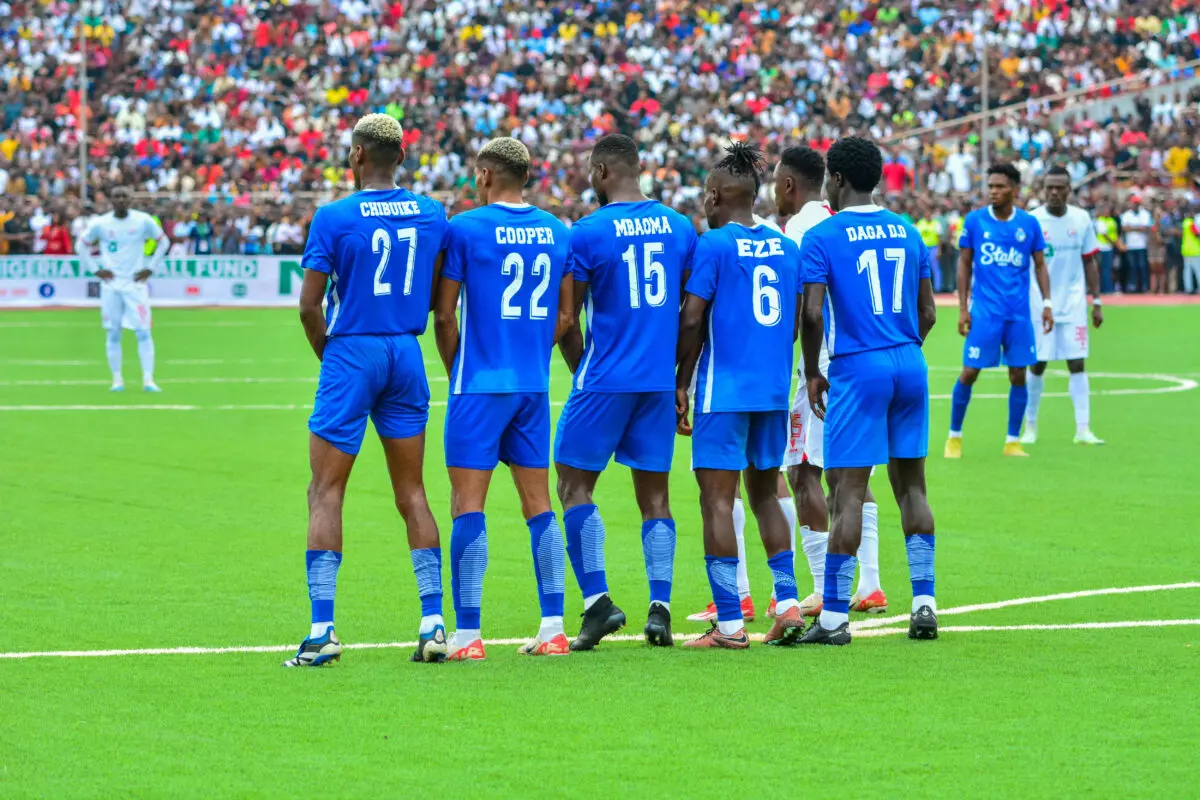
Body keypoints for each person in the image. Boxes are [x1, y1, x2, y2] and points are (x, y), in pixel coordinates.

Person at [288, 114, 449, 667]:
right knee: (414, 493)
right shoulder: (432, 213)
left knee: (326, 491)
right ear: (399, 158)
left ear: (357, 155)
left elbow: (309, 306)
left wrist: (331, 357)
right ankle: (433, 624)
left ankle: (322, 630)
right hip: (406, 352)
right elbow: (434, 295)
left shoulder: (333, 216)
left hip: (352, 350)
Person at [554, 133, 697, 650]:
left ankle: (598, 603)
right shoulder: (680, 227)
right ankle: (660, 609)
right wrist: (680, 377)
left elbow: (568, 319)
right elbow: (691, 316)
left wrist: (580, 370)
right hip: (658, 382)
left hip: (604, 378)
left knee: (573, 486)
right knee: (656, 497)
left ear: (600, 172)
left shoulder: (587, 232)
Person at [795, 135, 939, 646]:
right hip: (910, 361)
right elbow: (928, 313)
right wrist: (903, 350)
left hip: (858, 366)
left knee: (847, 492)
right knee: (912, 487)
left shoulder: (823, 236)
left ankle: (833, 618)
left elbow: (812, 312)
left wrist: (813, 371)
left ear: (834, 179)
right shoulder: (907, 230)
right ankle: (924, 603)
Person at [432, 138, 573, 661]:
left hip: (479, 384)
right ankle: (553, 627)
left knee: (468, 504)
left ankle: (468, 635)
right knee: (539, 505)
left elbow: (444, 316)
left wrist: (457, 371)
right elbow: (565, 317)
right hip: (533, 384)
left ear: (486, 174)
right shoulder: (557, 230)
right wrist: (533, 352)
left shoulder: (465, 228)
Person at [675, 142, 804, 650]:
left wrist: (680, 379)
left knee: (716, 501)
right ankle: (789, 602)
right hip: (772, 388)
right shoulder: (786, 247)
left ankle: (729, 624)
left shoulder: (714, 244)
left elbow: (691, 317)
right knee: (766, 492)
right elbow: (795, 322)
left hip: (722, 388)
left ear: (714, 196)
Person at [773, 145, 887, 617]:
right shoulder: (852, 218)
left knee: (803, 471)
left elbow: (802, 305)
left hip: (817, 365)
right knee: (852, 472)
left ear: (787, 185)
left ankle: (823, 586)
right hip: (865, 355)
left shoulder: (801, 227)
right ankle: (872, 582)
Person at [945, 163, 1053, 459]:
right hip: (985, 313)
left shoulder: (1028, 224)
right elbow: (964, 263)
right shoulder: (976, 221)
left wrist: (1046, 304)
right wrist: (963, 308)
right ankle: (954, 436)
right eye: (990, 186)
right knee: (969, 372)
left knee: (1019, 374)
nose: (993, 191)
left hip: (1018, 314)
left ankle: (1011, 441)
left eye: (1000, 186)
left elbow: (1041, 265)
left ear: (1015, 189)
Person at [1021, 167, 1105, 445]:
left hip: (1073, 304)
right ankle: (1030, 427)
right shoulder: (1033, 220)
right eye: (1050, 188)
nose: (1054, 192)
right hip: (1039, 305)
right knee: (1037, 365)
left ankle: (1083, 429)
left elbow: (1090, 261)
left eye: (1060, 187)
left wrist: (1097, 301)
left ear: (1069, 190)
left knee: (1077, 362)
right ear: (1043, 189)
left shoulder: (1081, 219)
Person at [75, 186, 171, 393]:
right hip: (111, 285)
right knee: (113, 333)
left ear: (130, 199)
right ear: (111, 200)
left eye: (124, 196)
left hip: (135, 285)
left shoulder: (143, 220)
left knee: (144, 332)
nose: (120, 200)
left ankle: (148, 380)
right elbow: (80, 246)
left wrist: (150, 267)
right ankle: (117, 380)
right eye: (116, 196)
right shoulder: (100, 223)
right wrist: (95, 270)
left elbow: (164, 243)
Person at [1119, 196, 1152, 293]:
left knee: (1142, 266)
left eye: (1137, 203)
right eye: (1134, 203)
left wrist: (1132, 228)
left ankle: (1144, 286)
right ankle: (1132, 287)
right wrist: (1138, 228)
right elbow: (1124, 228)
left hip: (1141, 245)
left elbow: (1145, 228)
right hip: (1130, 245)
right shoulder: (1126, 214)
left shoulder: (1145, 213)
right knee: (1132, 266)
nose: (1136, 205)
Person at [1094, 204, 1118, 294]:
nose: (1106, 212)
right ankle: (1105, 289)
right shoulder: (1100, 221)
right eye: (1105, 210)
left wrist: (1115, 242)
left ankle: (1108, 288)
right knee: (1104, 269)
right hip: (1102, 247)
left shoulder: (1112, 220)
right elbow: (1104, 234)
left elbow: (1114, 233)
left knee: (1108, 269)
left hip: (1109, 248)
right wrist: (1114, 243)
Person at [1182, 207, 1200, 294]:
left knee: (1187, 271)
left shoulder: (1185, 222)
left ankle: (1188, 288)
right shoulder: (1191, 223)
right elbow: (1196, 234)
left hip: (1186, 249)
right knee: (1198, 270)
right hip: (1194, 250)